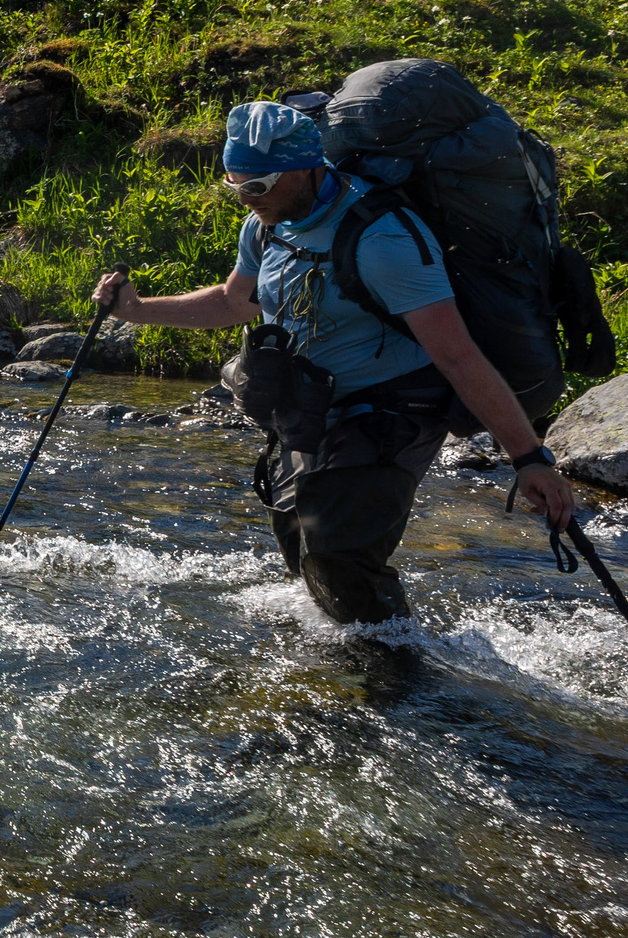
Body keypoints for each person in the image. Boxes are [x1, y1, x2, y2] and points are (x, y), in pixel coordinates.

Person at [96, 99, 577, 625]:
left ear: (305, 168)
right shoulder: (267, 224)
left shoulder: (384, 237)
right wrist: (138, 311)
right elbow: (235, 302)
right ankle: (352, 661)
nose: (245, 200)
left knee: (338, 554)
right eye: (236, 185)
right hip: (310, 407)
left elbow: (459, 357)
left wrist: (529, 460)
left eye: (257, 186)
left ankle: (402, 674)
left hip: (395, 405)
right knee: (300, 546)